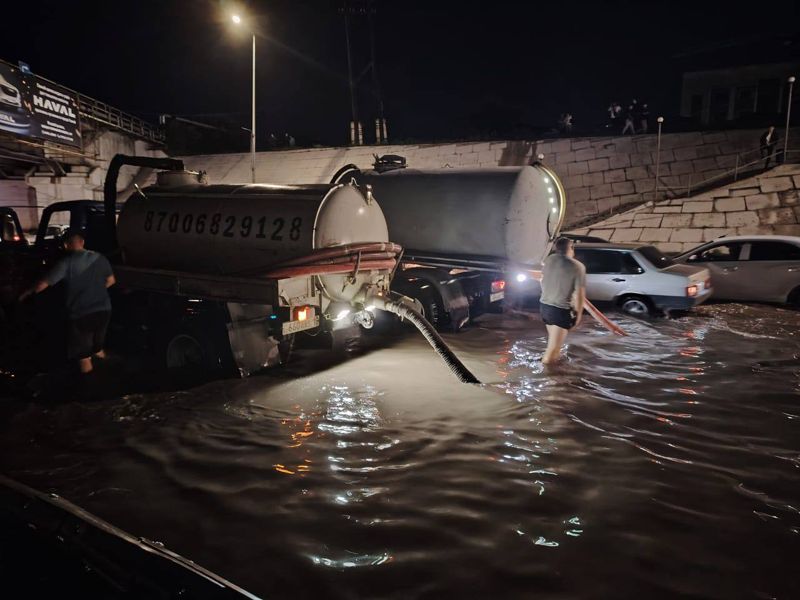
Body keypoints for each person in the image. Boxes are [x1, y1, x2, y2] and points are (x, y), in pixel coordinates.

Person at [19, 228, 115, 374]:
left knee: (83, 356)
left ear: (65, 245)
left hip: (82, 314)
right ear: (82, 242)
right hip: (104, 311)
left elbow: (41, 285)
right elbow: (111, 281)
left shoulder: (66, 263)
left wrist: (26, 293)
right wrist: (95, 290)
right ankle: (111, 370)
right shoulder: (100, 257)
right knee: (97, 348)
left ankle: (92, 386)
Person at [539, 237, 586, 365]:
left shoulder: (548, 260)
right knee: (553, 350)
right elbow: (580, 294)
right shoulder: (578, 267)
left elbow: (541, 280)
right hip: (560, 311)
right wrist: (579, 315)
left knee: (553, 345)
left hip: (544, 308)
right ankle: (546, 378)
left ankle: (555, 370)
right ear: (570, 248)